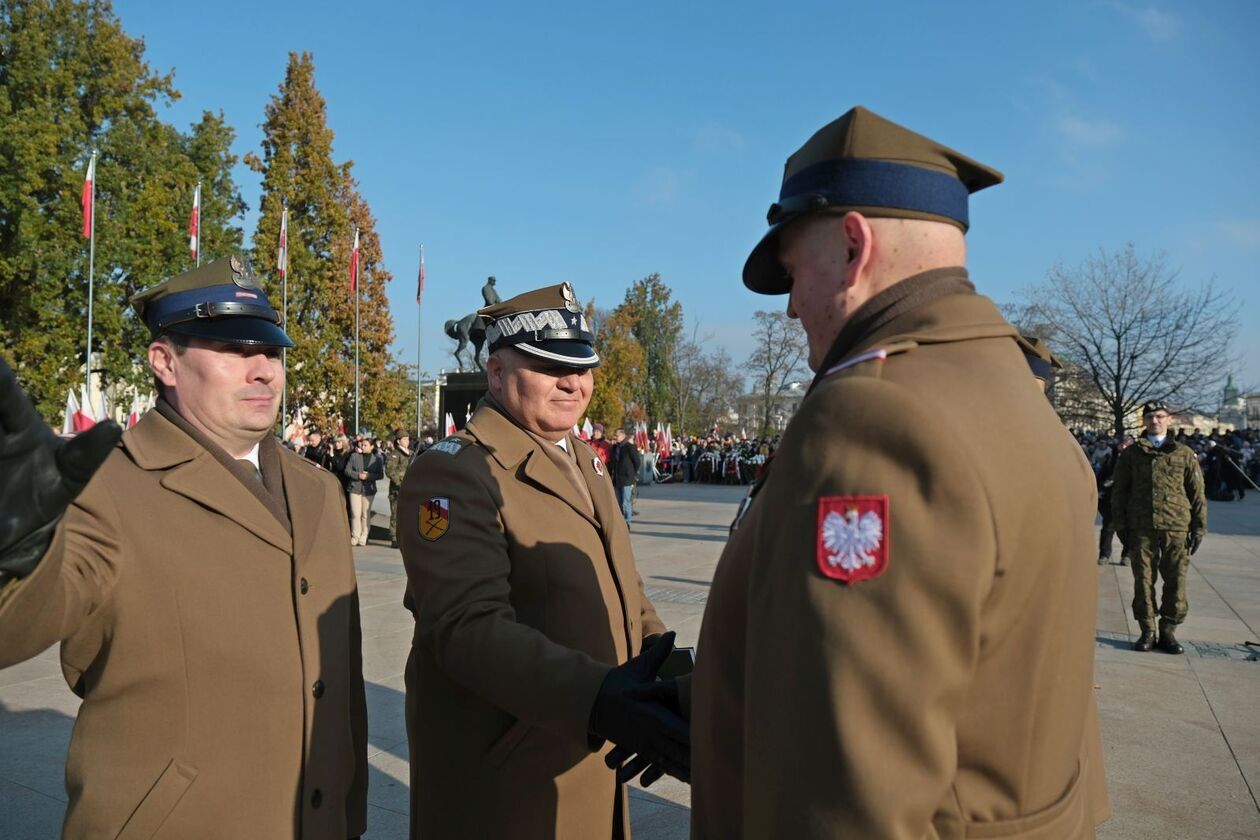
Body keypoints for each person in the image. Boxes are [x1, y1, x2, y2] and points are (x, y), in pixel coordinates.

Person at [689, 106, 1108, 838]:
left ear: (853, 247)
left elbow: (850, 792)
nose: (790, 307)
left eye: (792, 273)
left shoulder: (875, 416)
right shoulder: (1012, 385)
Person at [0, 255, 367, 838]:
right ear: (164, 362)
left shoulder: (317, 488)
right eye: (234, 352)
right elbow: (18, 622)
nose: (265, 372)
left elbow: (341, 679)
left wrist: (348, 814)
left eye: (271, 351)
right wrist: (16, 548)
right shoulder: (107, 484)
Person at [397, 283, 688, 839]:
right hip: (513, 776)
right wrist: (599, 699)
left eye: (581, 365)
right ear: (497, 372)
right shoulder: (456, 471)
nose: (572, 381)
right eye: (548, 364)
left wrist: (668, 671)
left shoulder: (586, 461)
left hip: (591, 747)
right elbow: (465, 627)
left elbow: (626, 585)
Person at [1112, 401, 1207, 654]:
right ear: (1144, 421)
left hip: (1176, 527)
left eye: (1160, 416)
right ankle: (1147, 630)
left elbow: (1197, 493)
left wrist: (1199, 527)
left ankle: (1168, 630)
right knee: (1143, 580)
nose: (1155, 421)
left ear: (1169, 420)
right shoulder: (1131, 454)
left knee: (1176, 580)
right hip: (1141, 527)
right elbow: (1119, 492)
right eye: (1150, 416)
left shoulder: (1183, 453)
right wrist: (1121, 527)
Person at [344, 436, 383, 546]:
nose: (363, 446)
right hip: (355, 488)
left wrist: (369, 476)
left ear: (371, 446)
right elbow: (347, 470)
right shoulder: (354, 456)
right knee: (355, 513)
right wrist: (358, 475)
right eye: (362, 444)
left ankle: (364, 535)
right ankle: (355, 535)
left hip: (369, 490)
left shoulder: (377, 459)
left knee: (365, 514)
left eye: (365, 445)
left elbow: (380, 475)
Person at [385, 428, 414, 548]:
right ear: (398, 441)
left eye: (408, 439)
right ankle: (394, 538)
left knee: (409, 514)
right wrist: (399, 482)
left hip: (410, 489)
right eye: (405, 439)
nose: (407, 441)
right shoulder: (394, 454)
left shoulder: (412, 454)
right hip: (397, 490)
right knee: (396, 514)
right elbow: (390, 471)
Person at [611, 427, 641, 524]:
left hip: (627, 478)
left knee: (626, 501)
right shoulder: (615, 447)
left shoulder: (630, 447)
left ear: (623, 436)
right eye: (615, 435)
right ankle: (621, 520)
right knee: (619, 501)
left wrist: (632, 473)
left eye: (617, 435)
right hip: (617, 478)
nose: (615, 437)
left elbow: (637, 461)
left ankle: (627, 521)